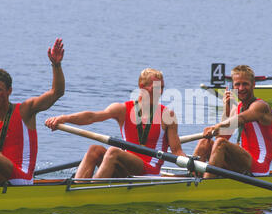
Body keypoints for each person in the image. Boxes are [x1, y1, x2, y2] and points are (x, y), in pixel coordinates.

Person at [0, 38, 65, 186]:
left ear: (9, 91)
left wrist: (56, 64)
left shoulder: (26, 110)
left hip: (21, 178)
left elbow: (57, 92)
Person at [45, 68, 186, 179]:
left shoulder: (168, 115)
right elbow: (91, 117)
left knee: (113, 151)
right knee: (94, 149)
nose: (160, 92)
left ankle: (91, 191)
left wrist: (191, 166)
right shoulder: (122, 109)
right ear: (142, 86)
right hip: (125, 166)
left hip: (149, 170)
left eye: (162, 88)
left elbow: (176, 151)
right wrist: (64, 118)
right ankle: (76, 186)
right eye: (156, 88)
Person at [193, 65, 272, 178]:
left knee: (221, 143)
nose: (241, 88)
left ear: (253, 85)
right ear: (233, 86)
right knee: (205, 142)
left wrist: (215, 126)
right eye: (237, 84)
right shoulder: (238, 108)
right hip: (241, 163)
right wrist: (226, 110)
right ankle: (193, 177)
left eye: (245, 84)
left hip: (259, 167)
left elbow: (241, 119)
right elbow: (222, 136)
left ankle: (205, 186)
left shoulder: (260, 106)